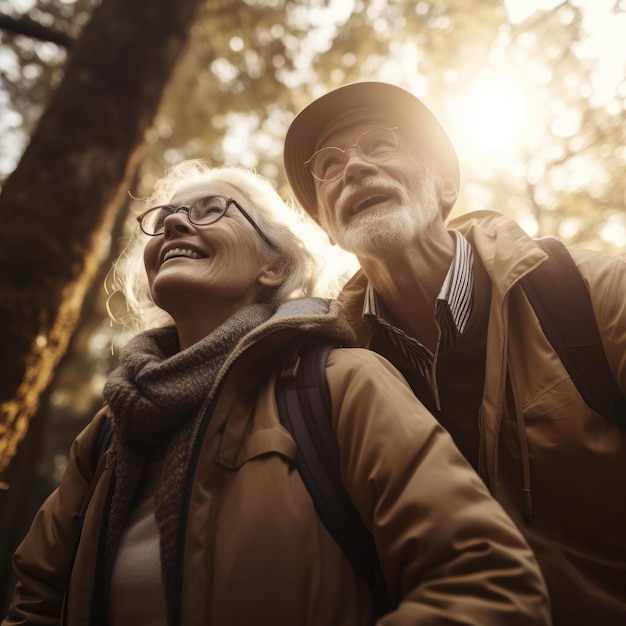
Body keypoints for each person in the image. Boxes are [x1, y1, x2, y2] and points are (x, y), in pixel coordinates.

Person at [2, 160, 550, 626]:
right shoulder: (105, 435)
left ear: (275, 266)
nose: (172, 227)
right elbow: (35, 603)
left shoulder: (342, 382)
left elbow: (485, 582)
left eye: (209, 209)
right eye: (164, 219)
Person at [283, 81, 626, 626]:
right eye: (329, 163)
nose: (352, 168)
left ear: (445, 185)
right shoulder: (323, 372)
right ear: (328, 227)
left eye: (379, 143)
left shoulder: (587, 292)